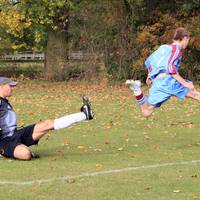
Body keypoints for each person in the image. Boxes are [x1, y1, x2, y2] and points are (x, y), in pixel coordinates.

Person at [0, 77, 94, 160]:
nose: (12, 88)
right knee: (26, 154)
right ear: (1, 86)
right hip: (4, 141)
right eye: (10, 86)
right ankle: (19, 150)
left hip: (15, 134)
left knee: (47, 124)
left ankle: (85, 115)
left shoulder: (4, 102)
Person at [127, 27, 200, 117]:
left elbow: (150, 62)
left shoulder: (163, 47)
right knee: (195, 94)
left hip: (158, 83)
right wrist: (185, 83)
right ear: (184, 38)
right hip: (168, 81)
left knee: (146, 112)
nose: (187, 43)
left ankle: (137, 90)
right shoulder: (176, 50)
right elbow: (170, 69)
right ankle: (136, 89)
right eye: (188, 40)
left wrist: (149, 76)